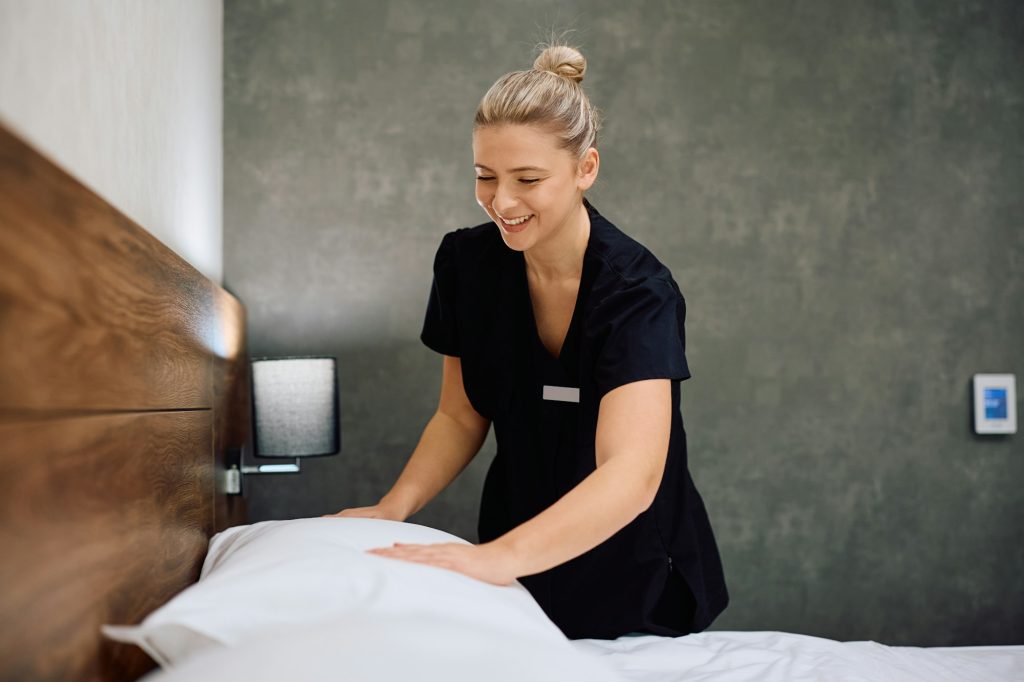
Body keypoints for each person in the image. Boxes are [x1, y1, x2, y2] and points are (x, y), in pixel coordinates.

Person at [324, 42, 728, 640]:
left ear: (585, 169)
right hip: (514, 547)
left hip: (634, 567)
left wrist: (497, 559)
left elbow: (633, 474)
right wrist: (394, 506)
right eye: (485, 177)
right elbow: (460, 416)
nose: (502, 202)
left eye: (528, 179)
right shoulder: (466, 264)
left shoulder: (638, 292)